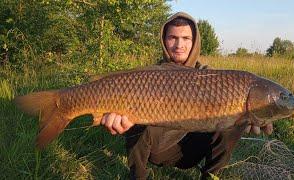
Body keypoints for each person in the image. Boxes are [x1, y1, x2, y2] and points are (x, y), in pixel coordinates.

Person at [100, 12, 273, 179]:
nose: (179, 45)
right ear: (164, 40)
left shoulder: (212, 78)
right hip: (158, 150)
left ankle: (211, 176)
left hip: (192, 151)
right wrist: (120, 125)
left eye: (186, 38)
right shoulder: (149, 76)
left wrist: (260, 113)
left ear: (195, 42)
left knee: (232, 122)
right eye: (172, 38)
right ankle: (138, 176)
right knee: (135, 120)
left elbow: (243, 103)